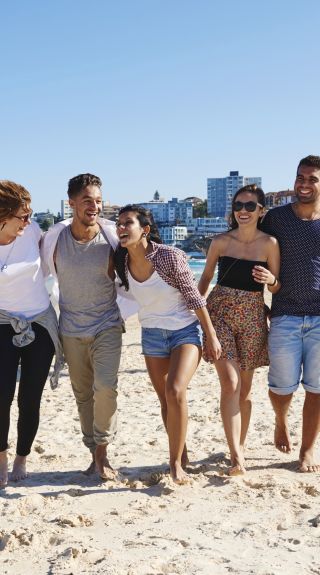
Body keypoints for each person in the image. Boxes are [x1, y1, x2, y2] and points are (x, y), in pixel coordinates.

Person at [114, 204, 221, 484]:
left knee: (175, 390)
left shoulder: (170, 257)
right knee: (165, 399)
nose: (121, 228)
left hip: (184, 332)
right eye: (119, 224)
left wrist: (210, 335)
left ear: (145, 230)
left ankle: (174, 464)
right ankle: (181, 453)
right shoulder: (120, 262)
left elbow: (195, 298)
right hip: (151, 335)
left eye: (128, 223)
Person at [41, 173, 123, 480]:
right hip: (71, 329)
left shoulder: (112, 238)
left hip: (107, 325)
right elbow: (36, 273)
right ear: (71, 203)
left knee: (106, 388)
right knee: (83, 395)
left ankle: (102, 452)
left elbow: (142, 261)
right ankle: (94, 454)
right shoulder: (55, 239)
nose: (95, 206)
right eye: (88, 200)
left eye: (99, 200)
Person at [198, 184, 281, 475]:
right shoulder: (221, 241)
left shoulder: (269, 243)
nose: (243, 211)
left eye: (249, 206)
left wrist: (271, 280)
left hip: (253, 316)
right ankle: (236, 457)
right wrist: (197, 313)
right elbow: (205, 278)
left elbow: (277, 286)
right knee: (230, 384)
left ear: (261, 210)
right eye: (238, 206)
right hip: (219, 311)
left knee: (245, 391)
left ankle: (239, 446)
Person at [0, 180, 62, 489]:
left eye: (29, 214)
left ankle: (21, 457)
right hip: (1, 323)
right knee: (1, 397)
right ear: (3, 215)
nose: (28, 221)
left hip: (39, 322)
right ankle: (1, 457)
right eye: (22, 216)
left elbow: (58, 253)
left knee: (30, 398)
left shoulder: (33, 231)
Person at [262, 155, 320, 473]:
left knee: (317, 387)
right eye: (301, 177)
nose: (304, 184)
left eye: (312, 179)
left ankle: (308, 450)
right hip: (283, 314)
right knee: (281, 386)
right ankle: (281, 420)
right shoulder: (276, 218)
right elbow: (253, 253)